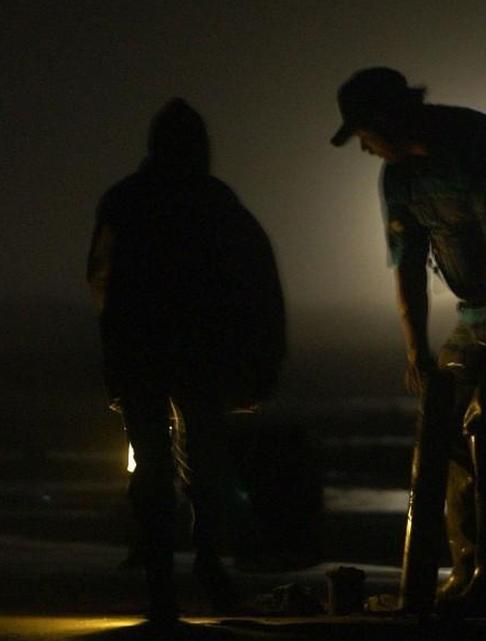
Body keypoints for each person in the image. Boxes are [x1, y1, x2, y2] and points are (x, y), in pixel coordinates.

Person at [330, 68, 486, 616]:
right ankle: (464, 572)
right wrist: (416, 347)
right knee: (446, 431)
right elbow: (408, 268)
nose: (367, 150)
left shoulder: (478, 144)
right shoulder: (398, 180)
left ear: (386, 120)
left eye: (366, 136)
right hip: (475, 310)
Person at [87, 98, 286, 622]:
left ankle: (164, 583)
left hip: (142, 353)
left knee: (156, 468)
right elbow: (258, 285)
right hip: (198, 355)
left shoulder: (124, 201)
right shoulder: (217, 202)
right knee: (202, 464)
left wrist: (116, 365)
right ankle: (204, 564)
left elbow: (101, 283)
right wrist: (258, 363)